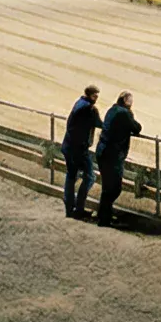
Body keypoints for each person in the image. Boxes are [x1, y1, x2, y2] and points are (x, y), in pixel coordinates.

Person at [94, 91, 143, 227]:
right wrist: (131, 115)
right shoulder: (124, 113)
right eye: (130, 101)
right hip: (112, 155)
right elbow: (137, 128)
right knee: (114, 188)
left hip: (102, 151)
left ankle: (104, 215)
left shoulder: (112, 109)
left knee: (108, 186)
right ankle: (104, 218)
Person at [61, 85, 103, 219]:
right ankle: (79, 208)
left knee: (71, 176)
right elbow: (100, 124)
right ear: (90, 95)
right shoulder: (88, 109)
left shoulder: (79, 103)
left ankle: (70, 208)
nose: (96, 99)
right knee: (90, 176)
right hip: (78, 149)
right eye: (95, 96)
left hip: (68, 146)